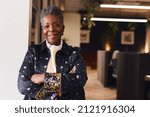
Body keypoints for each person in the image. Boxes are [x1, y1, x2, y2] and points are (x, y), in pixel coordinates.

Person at [17, 5, 88, 100]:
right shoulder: (33, 52)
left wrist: (43, 78)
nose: (51, 29)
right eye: (46, 26)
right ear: (43, 30)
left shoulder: (74, 53)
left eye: (56, 25)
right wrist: (52, 96)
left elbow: (80, 80)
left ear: (63, 29)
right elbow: (22, 85)